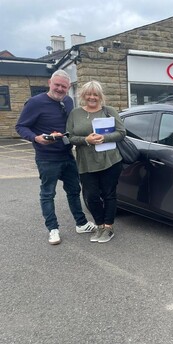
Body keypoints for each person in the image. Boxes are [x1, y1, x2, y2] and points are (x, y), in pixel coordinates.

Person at [15, 70, 96, 245]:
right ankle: (53, 229)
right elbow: (21, 127)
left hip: (67, 154)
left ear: (68, 88)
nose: (60, 89)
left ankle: (81, 223)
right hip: (47, 158)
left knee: (74, 190)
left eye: (63, 86)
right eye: (57, 85)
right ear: (50, 83)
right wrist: (36, 138)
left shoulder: (68, 101)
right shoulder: (35, 103)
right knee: (48, 194)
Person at [66, 80, 126, 243]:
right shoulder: (75, 113)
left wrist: (104, 137)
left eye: (95, 94)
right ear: (83, 95)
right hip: (86, 162)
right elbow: (69, 137)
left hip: (110, 160)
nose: (92, 97)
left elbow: (122, 133)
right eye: (88, 94)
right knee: (91, 196)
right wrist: (86, 140)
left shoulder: (109, 111)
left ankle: (108, 227)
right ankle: (99, 224)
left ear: (100, 96)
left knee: (109, 194)